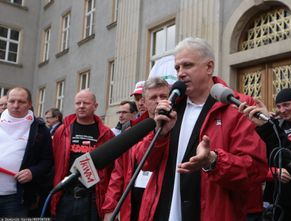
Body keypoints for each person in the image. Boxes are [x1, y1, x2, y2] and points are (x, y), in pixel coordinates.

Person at [135, 37, 267, 221]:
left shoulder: (239, 107)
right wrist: (161, 134)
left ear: (209, 67)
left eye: (187, 65)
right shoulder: (171, 107)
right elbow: (145, 163)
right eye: (177, 68)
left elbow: (253, 172)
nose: (180, 73)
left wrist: (213, 161)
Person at [237, 88, 291, 221]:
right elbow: (265, 155)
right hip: (279, 196)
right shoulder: (275, 123)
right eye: (279, 106)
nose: (282, 110)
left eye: (287, 105)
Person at [102, 77, 170, 221]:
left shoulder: (175, 126)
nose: (158, 101)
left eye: (163, 96)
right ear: (144, 103)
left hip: (162, 203)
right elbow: (118, 174)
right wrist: (110, 207)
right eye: (153, 97)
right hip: (132, 204)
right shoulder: (132, 131)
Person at [51, 89, 114, 221]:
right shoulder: (62, 131)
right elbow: (53, 161)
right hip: (65, 196)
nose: (81, 106)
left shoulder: (106, 133)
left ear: (95, 106)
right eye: (78, 103)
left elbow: (112, 168)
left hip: (92, 198)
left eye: (86, 103)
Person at [0, 87, 53, 217]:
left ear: (29, 104)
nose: (16, 105)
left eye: (21, 102)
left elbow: (47, 161)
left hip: (16, 199)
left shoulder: (41, 129)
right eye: (12, 101)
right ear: (6, 102)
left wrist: (32, 172)